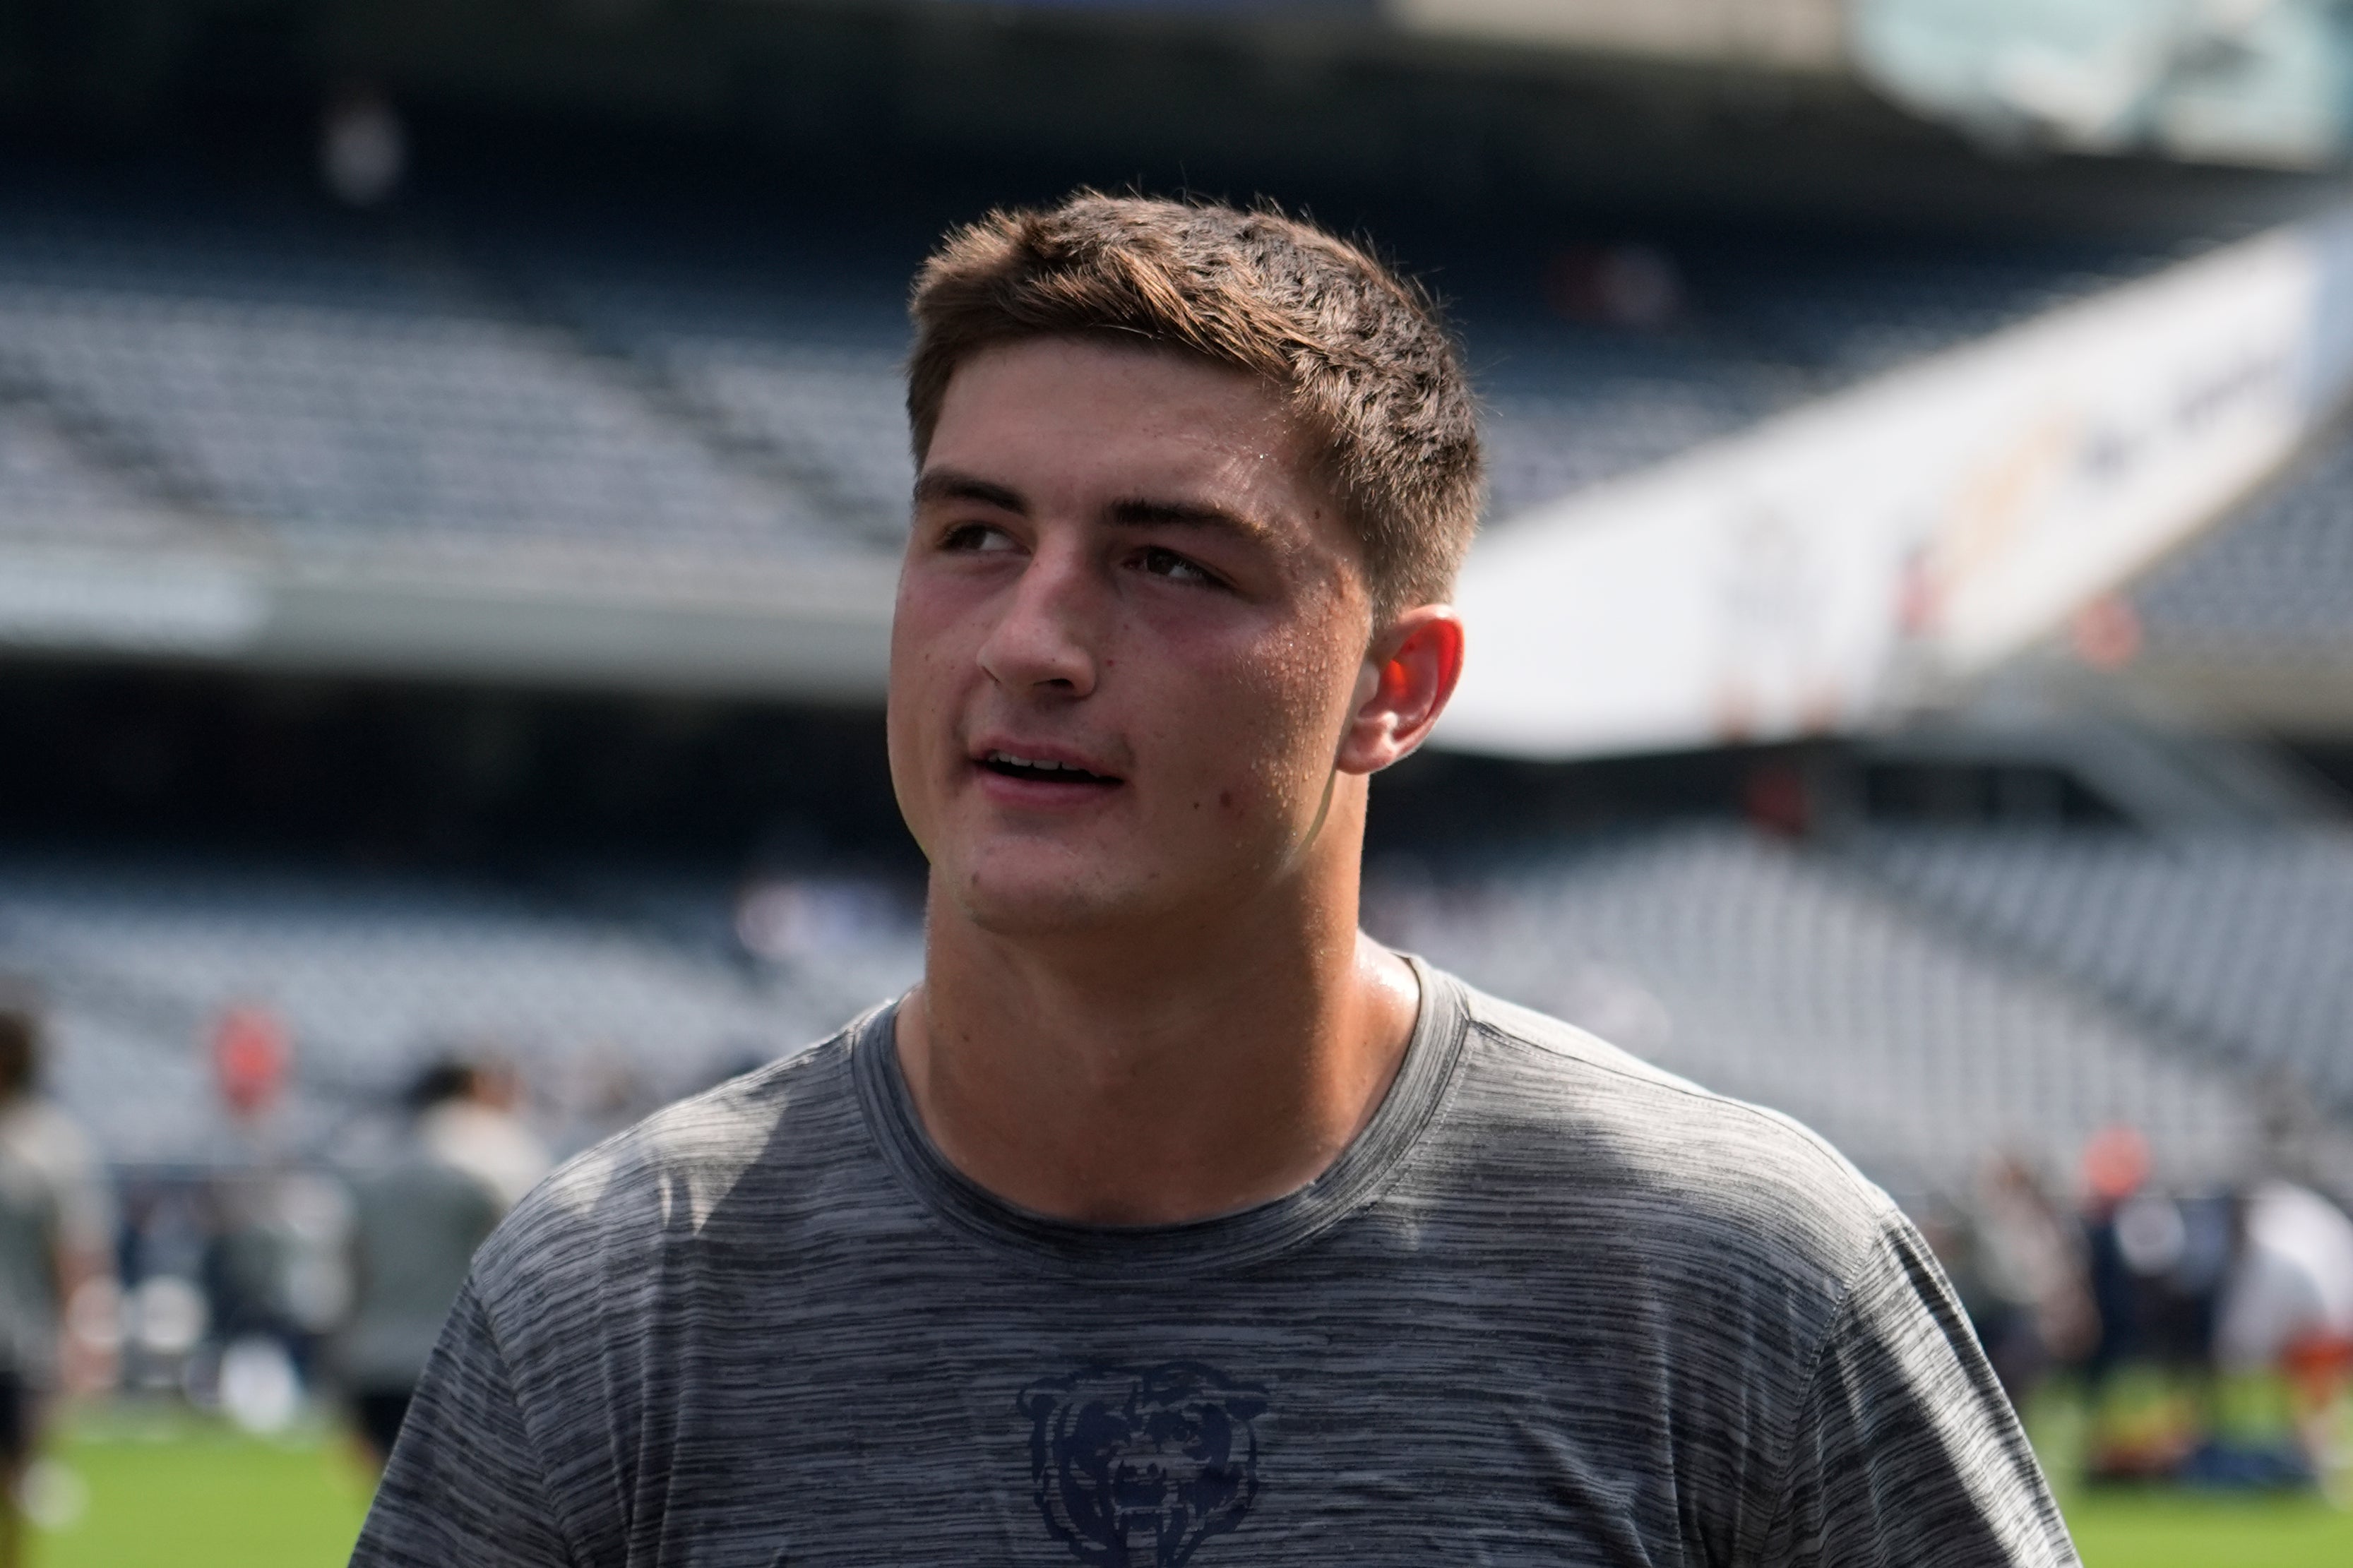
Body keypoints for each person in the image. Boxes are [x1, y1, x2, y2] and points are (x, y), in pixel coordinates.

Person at [353, 195, 2075, 1566]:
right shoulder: (614, 1296)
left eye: (1170, 563)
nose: (1030, 641)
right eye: (973, 537)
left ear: (1395, 690)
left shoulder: (1743, 1283)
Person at [338, 1058, 549, 1468]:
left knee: (398, 1512)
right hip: (460, 1361)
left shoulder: (374, 1172)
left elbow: (353, 1277)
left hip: (377, 1362)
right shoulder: (492, 1159)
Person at [0, 988, 113, 1568]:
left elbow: (76, 1254)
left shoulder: (53, 1143)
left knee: (15, 1490)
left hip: (20, 1346)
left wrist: (84, 1341)